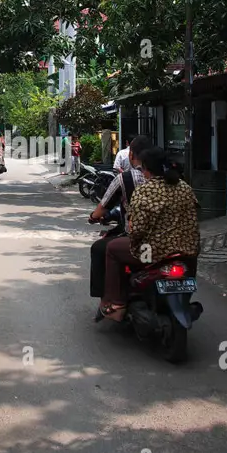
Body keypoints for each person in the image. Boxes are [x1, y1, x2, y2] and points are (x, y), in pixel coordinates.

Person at [97, 147, 199, 322]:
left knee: (112, 248)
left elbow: (137, 230)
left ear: (145, 168)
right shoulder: (185, 187)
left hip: (152, 252)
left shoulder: (145, 191)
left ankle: (116, 303)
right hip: (187, 250)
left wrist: (133, 234)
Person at [87, 135, 151, 299]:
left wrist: (93, 217)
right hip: (169, 239)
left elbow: (102, 208)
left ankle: (110, 298)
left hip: (140, 240)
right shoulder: (173, 181)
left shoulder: (127, 179)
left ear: (131, 155)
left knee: (102, 249)